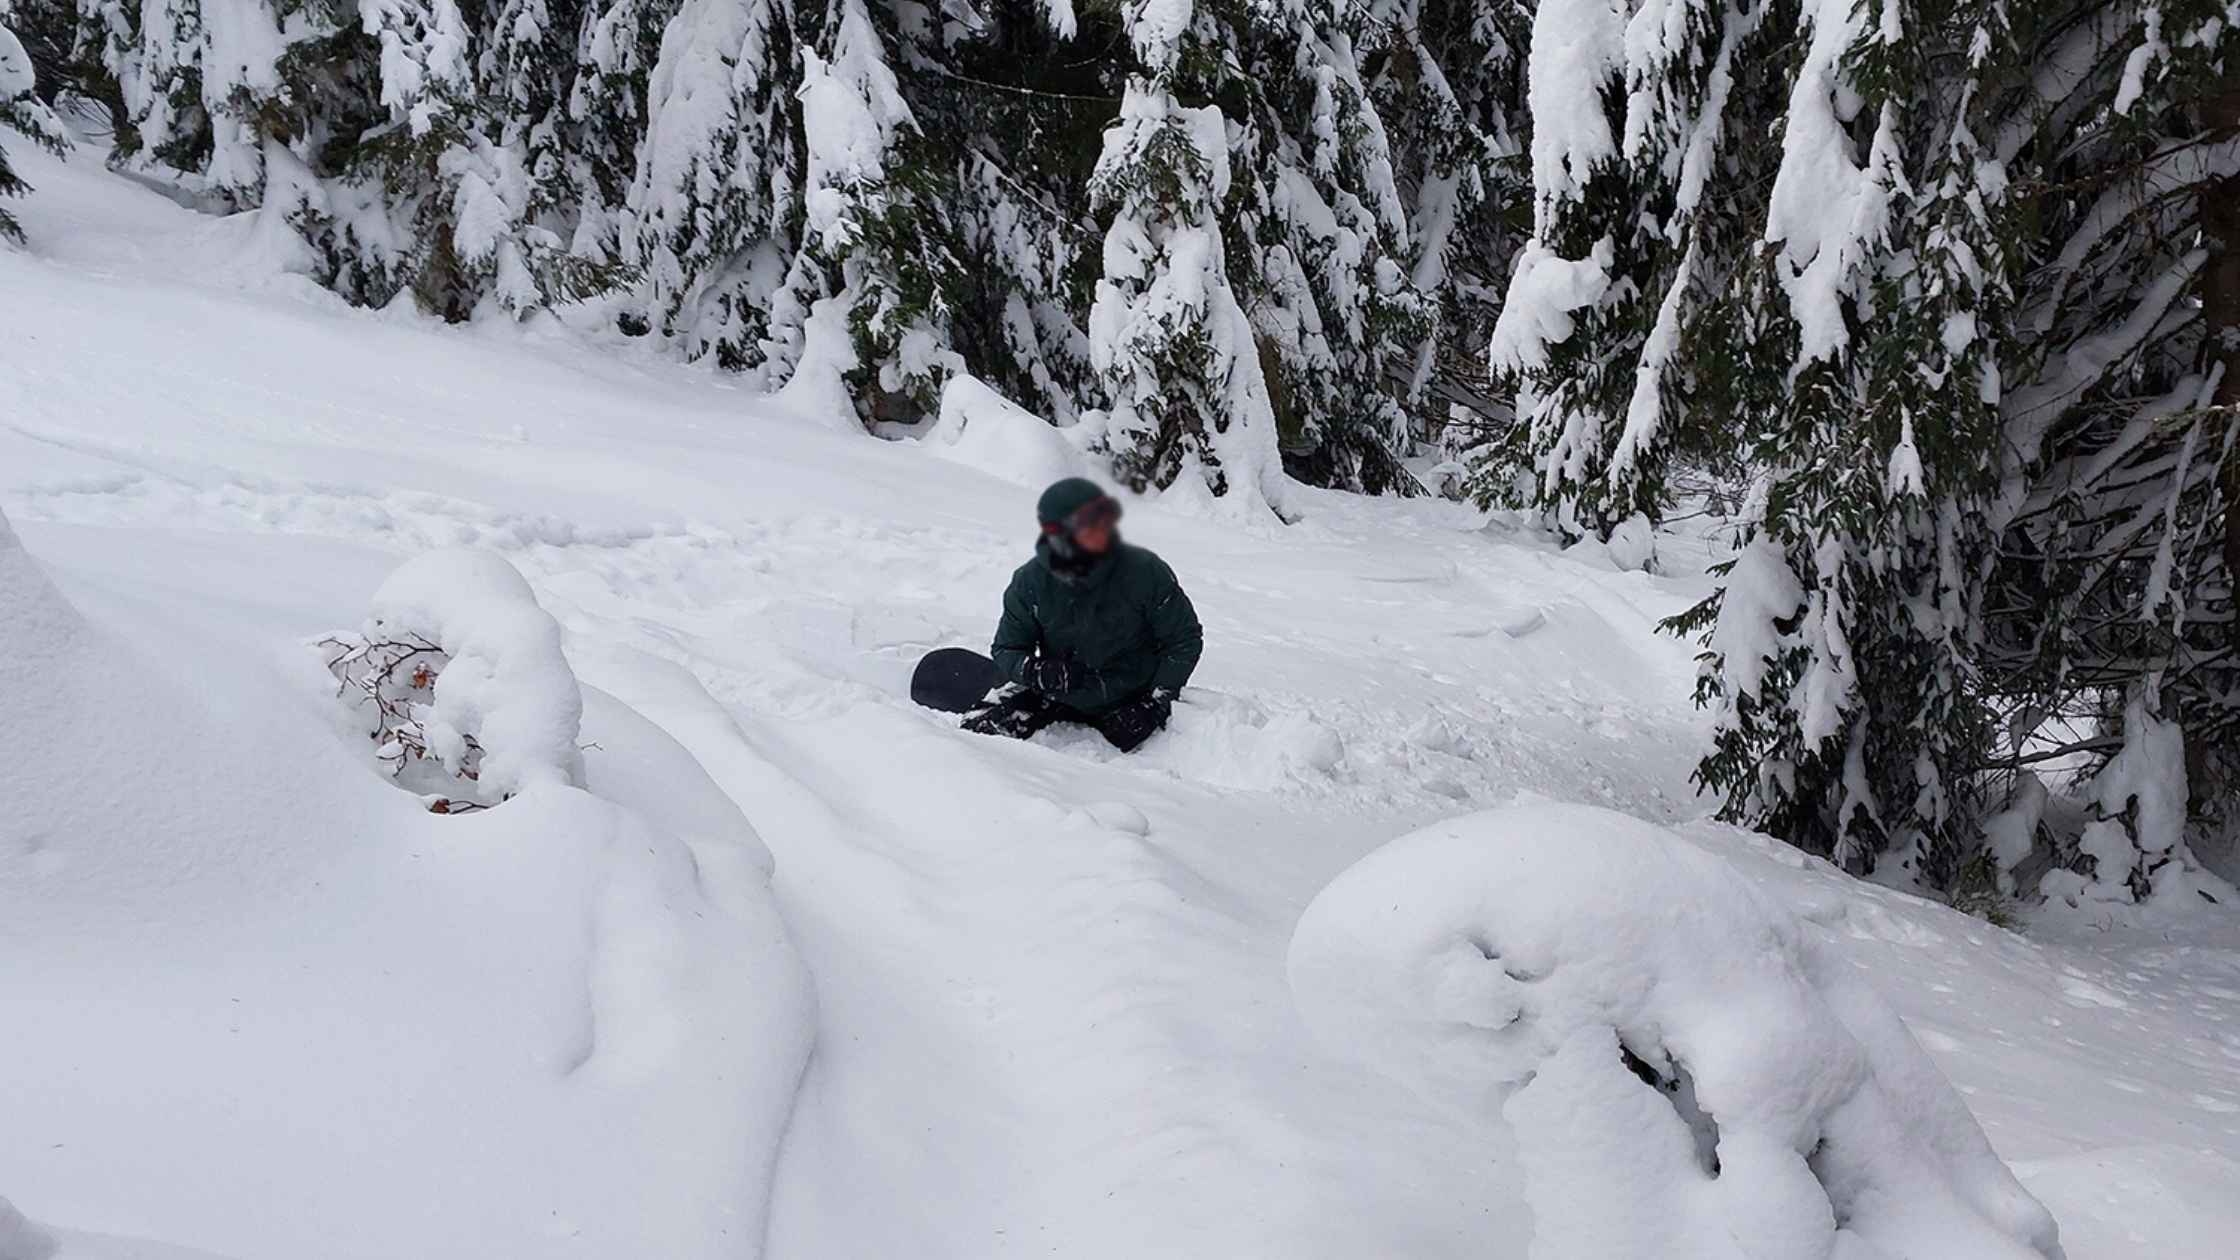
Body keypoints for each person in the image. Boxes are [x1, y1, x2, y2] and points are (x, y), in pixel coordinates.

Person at [964, 478, 1202, 751]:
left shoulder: (1146, 572)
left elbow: (1184, 640)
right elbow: (1007, 648)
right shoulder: (1029, 582)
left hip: (1130, 698)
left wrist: (1158, 701)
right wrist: (1034, 670)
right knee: (977, 732)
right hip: (1058, 695)